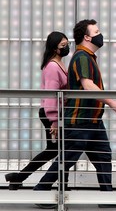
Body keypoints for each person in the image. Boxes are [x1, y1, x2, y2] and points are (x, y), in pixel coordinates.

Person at [33, 19, 116, 209]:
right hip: (80, 121)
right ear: (87, 37)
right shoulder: (82, 57)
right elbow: (87, 85)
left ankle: (107, 197)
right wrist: (111, 102)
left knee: (103, 156)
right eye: (97, 31)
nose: (100, 35)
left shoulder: (88, 57)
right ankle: (40, 191)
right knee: (68, 157)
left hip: (92, 120)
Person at [5, 31, 70, 192]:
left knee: (62, 149)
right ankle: (20, 178)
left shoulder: (59, 64)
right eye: (63, 45)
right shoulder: (53, 67)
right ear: (55, 48)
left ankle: (19, 178)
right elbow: (51, 96)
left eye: (68, 44)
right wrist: (54, 120)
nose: (67, 47)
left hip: (56, 114)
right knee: (58, 149)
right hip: (52, 114)